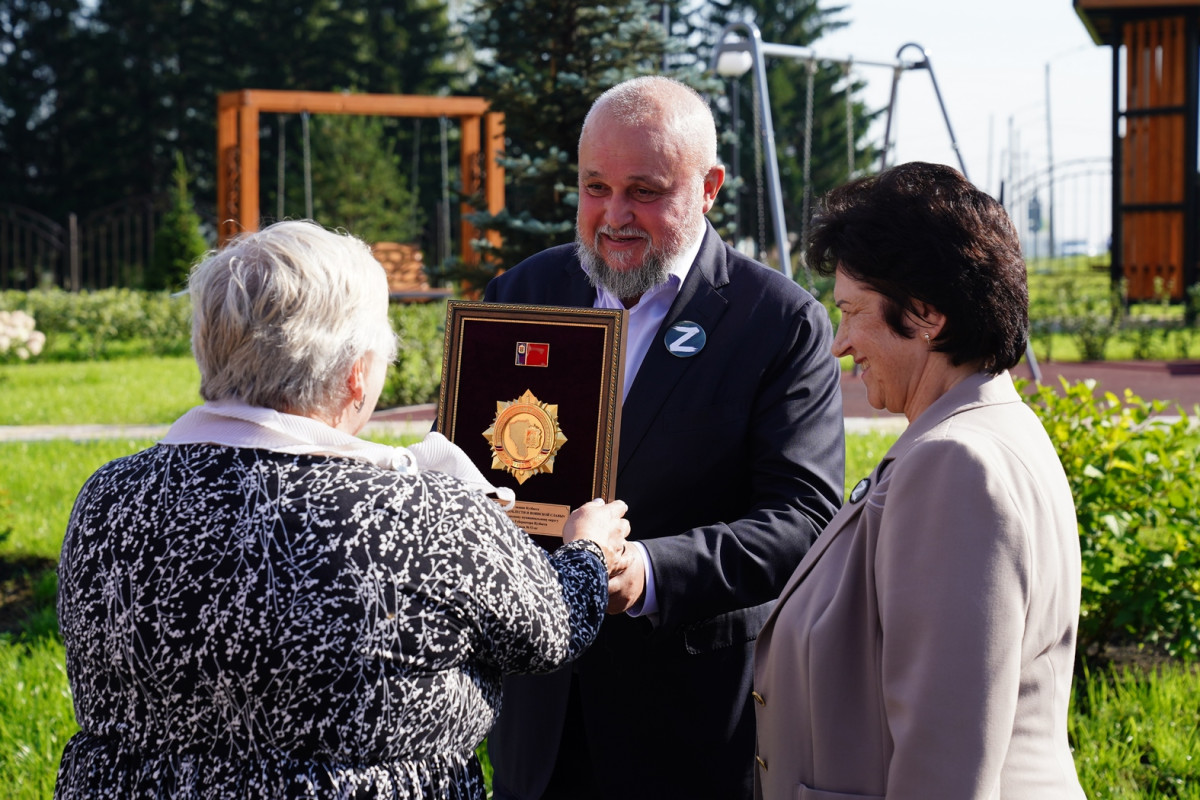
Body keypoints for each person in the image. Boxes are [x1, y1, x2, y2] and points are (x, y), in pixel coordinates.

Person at [54, 220, 630, 800]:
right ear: (356, 374)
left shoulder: (107, 497)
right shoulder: (427, 515)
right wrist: (587, 550)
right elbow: (551, 630)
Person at [483, 76, 846, 799]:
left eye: (644, 191)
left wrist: (647, 573)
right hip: (536, 728)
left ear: (709, 186)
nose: (614, 216)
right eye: (595, 188)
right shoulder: (522, 293)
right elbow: (463, 468)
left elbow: (804, 522)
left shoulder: (777, 322)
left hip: (688, 735)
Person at [753, 162, 1086, 799]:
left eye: (851, 312)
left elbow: (945, 766)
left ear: (927, 314)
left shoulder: (954, 466)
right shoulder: (987, 427)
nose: (840, 343)